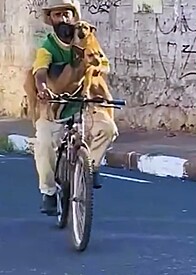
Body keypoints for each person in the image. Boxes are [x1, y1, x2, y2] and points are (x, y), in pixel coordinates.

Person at [31, 0, 118, 215]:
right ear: (51, 19)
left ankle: (92, 167)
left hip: (85, 102)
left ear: (74, 17)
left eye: (67, 14)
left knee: (107, 129)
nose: (63, 19)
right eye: (58, 15)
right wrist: (42, 88)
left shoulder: (88, 40)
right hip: (56, 104)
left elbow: (104, 65)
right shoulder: (47, 47)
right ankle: (49, 192)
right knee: (43, 142)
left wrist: (96, 67)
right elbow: (40, 72)